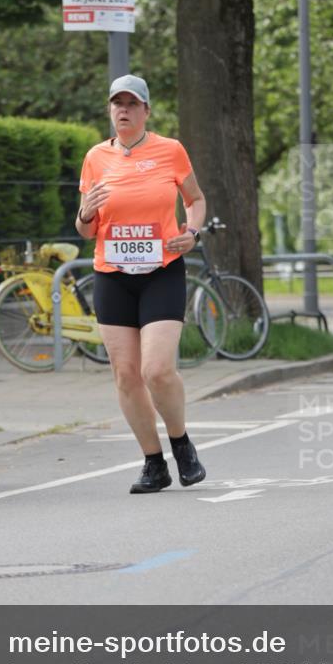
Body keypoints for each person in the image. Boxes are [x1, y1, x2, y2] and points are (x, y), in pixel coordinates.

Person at [76, 74, 207, 494]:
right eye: (118, 104)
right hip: (112, 275)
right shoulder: (95, 158)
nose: (124, 111)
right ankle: (154, 463)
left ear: (147, 111)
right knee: (126, 374)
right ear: (110, 110)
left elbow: (196, 199)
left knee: (157, 370)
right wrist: (84, 213)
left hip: (161, 271)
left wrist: (194, 232)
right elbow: (85, 229)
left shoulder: (170, 151)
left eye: (132, 104)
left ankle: (181, 442)